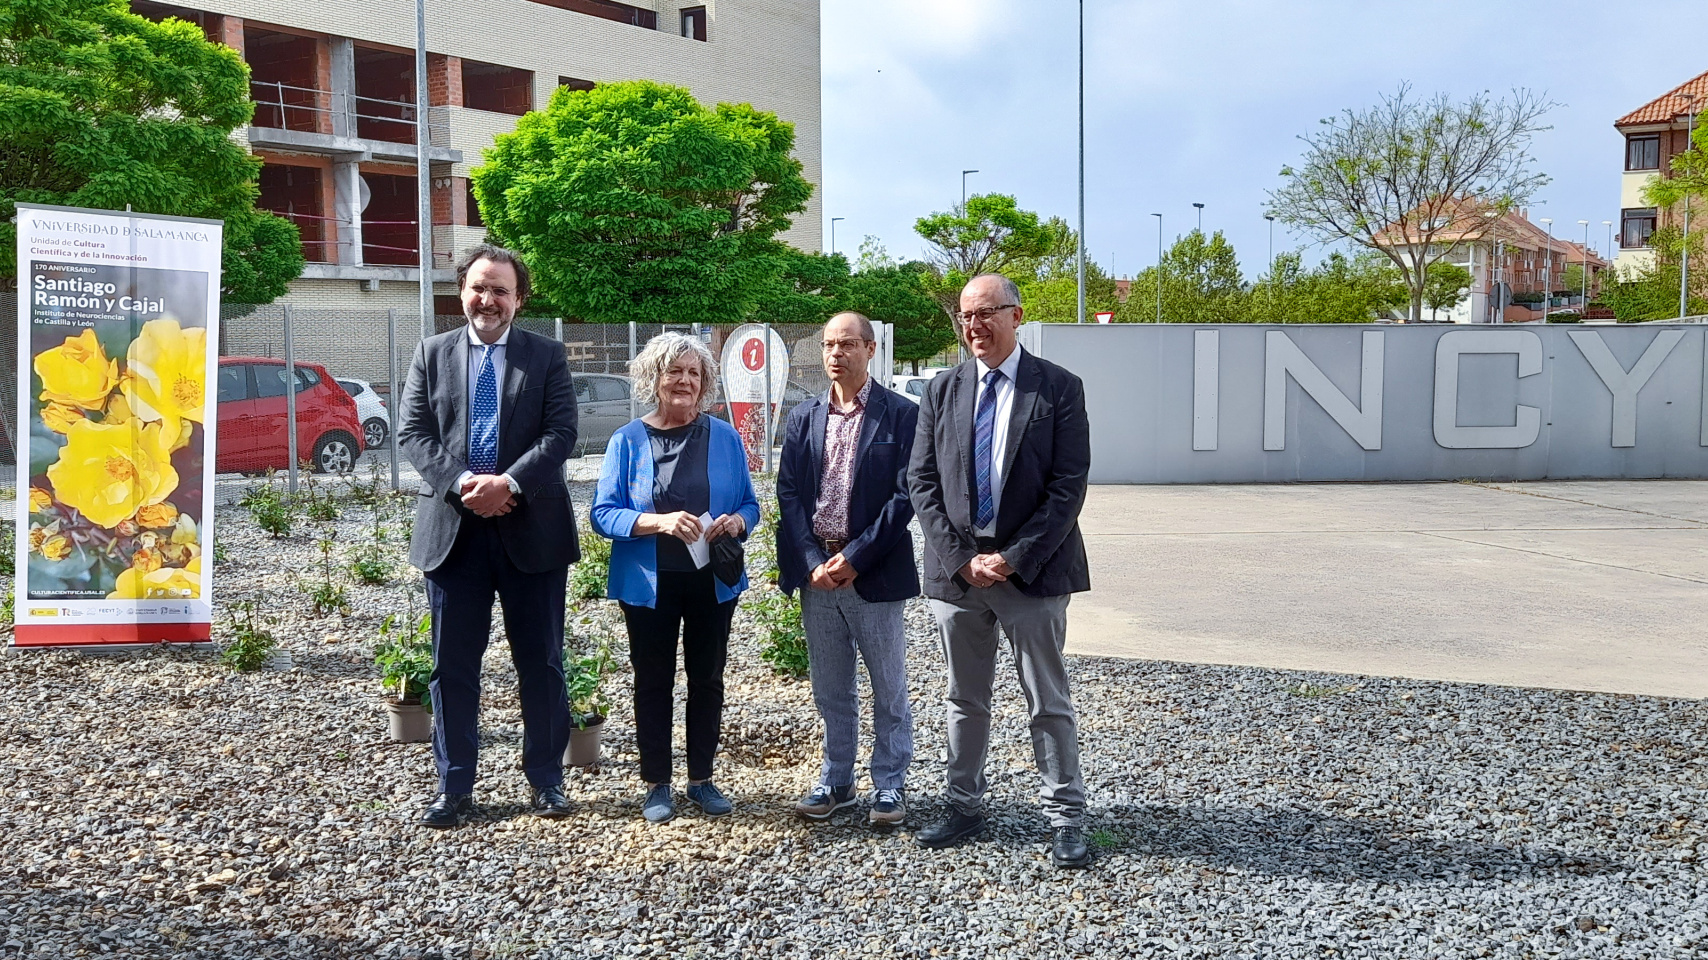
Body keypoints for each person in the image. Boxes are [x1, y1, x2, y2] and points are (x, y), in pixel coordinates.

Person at [907, 273, 1093, 868]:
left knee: (1047, 698)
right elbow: (922, 482)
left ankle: (1065, 814)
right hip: (957, 575)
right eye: (966, 315)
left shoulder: (1058, 388)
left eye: (987, 312)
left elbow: (1068, 487)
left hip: (1031, 572)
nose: (974, 325)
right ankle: (963, 805)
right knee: (965, 698)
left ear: (1017, 315)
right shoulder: (941, 389)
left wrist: (1013, 557)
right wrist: (964, 559)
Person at [398, 243, 581, 829]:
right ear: (462, 292)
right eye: (480, 287)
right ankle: (454, 786)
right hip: (454, 534)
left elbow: (561, 434)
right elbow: (413, 432)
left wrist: (509, 484)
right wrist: (464, 484)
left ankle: (547, 781)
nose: (489, 299)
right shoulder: (431, 354)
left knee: (542, 663)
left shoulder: (547, 355)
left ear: (519, 299)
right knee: (452, 666)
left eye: (501, 290)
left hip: (532, 531)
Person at [590, 332, 760, 824]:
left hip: (712, 581)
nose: (684, 380)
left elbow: (750, 503)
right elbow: (603, 514)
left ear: (704, 382)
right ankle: (657, 782)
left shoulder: (724, 436)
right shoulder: (626, 440)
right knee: (653, 681)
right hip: (650, 583)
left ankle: (702, 779)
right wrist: (658, 522)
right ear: (655, 378)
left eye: (694, 373)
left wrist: (739, 522)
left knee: (707, 679)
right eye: (674, 371)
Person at [776, 312, 920, 827]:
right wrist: (813, 561)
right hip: (818, 576)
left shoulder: (901, 415)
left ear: (871, 349)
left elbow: (907, 496)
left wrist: (855, 558)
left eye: (848, 345)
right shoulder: (803, 416)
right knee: (830, 687)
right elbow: (789, 493)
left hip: (872, 573)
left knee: (889, 686)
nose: (836, 354)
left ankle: (890, 785)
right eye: (829, 345)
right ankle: (837, 780)